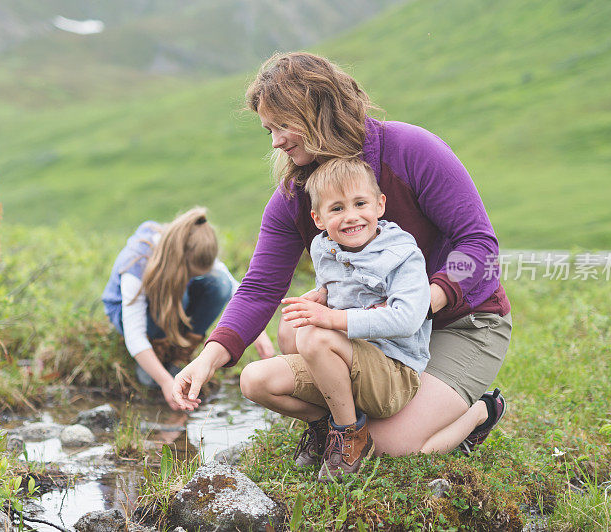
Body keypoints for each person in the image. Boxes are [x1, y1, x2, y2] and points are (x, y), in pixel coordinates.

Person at [173, 52, 512, 457]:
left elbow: (479, 246)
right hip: (378, 332)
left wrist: (421, 302)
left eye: (283, 125)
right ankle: (337, 428)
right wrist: (207, 359)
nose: (277, 141)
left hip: (460, 322)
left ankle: (479, 413)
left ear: (318, 110)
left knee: (391, 448)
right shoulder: (296, 197)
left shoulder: (412, 150)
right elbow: (260, 287)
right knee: (291, 331)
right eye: (270, 131)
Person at [250, 157, 432, 481]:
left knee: (314, 334)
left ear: (379, 205)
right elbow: (336, 283)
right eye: (336, 209)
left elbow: (407, 318)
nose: (350, 216)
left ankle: (351, 437)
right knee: (255, 378)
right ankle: (327, 425)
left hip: (392, 374)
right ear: (318, 219)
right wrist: (321, 294)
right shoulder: (324, 247)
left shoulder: (402, 254)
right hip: (347, 362)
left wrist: (333, 318)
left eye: (360, 203)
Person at [101, 207, 274, 410]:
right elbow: (134, 335)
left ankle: (178, 352)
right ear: (179, 260)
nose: (194, 278)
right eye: (191, 274)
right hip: (133, 315)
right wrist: (166, 382)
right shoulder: (136, 265)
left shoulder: (194, 246)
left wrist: (258, 332)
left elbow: (236, 289)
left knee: (219, 284)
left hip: (172, 301)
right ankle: (157, 351)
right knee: (177, 294)